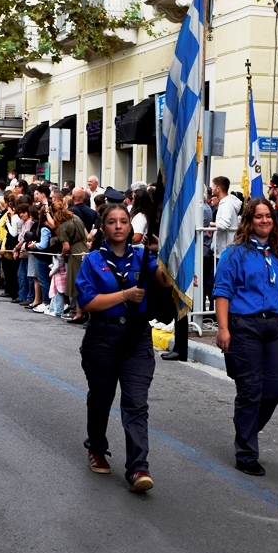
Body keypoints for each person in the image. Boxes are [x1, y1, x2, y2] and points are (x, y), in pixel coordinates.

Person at [75, 203, 169, 492]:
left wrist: (161, 253)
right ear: (103, 227)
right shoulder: (92, 260)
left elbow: (164, 280)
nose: (118, 226)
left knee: (136, 404)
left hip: (137, 338)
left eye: (124, 221)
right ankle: (97, 447)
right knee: (101, 398)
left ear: (131, 227)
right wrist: (125, 294)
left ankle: (138, 467)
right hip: (103, 337)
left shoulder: (143, 258)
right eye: (112, 222)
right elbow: (88, 302)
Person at [214, 198, 278, 476]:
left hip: (275, 327)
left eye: (268, 216)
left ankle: (248, 428)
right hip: (244, 327)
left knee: (276, 388)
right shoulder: (235, 254)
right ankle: (246, 453)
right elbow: (222, 292)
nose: (264, 221)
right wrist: (223, 329)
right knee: (250, 390)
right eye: (258, 216)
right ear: (248, 221)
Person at [54, 200, 89, 324]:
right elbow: (87, 235)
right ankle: (82, 312)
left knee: (77, 285)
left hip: (74, 254)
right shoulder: (76, 218)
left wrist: (62, 255)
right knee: (85, 283)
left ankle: (78, 314)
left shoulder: (63, 226)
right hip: (85, 250)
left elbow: (66, 247)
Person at [211, 176, 242, 256]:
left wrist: (212, 224)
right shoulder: (226, 203)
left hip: (224, 251)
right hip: (225, 250)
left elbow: (224, 224)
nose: (212, 188)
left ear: (218, 189)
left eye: (213, 186)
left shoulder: (226, 204)